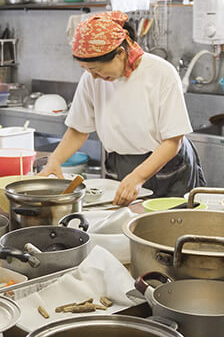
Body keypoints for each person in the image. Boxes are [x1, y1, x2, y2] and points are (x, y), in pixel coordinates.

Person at [38, 11, 204, 205]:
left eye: (96, 69)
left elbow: (173, 141)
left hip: (166, 165)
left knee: (168, 226)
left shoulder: (161, 73)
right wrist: (55, 160)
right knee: (123, 226)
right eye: (86, 70)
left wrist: (138, 177)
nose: (93, 76)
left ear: (121, 54)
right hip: (120, 164)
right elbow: (78, 129)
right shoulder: (91, 80)